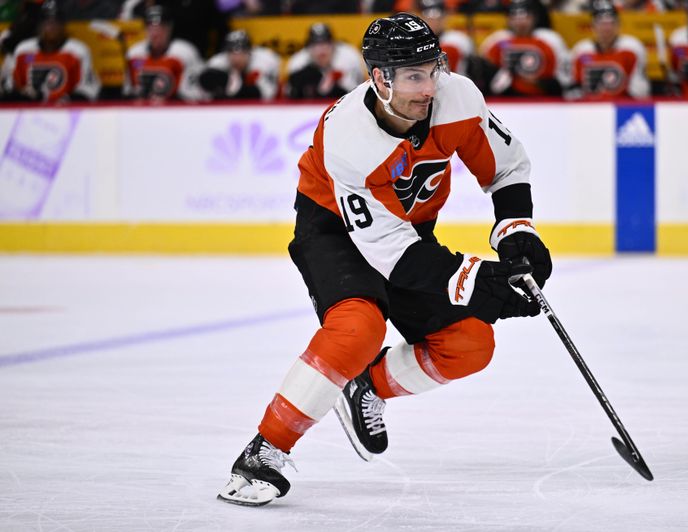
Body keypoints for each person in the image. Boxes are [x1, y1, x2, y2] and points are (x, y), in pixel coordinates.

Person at [217, 12, 552, 507]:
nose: (429, 87)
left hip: (407, 235)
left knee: (471, 344)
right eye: (414, 76)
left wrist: (517, 233)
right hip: (334, 232)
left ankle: (366, 387)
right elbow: (391, 254)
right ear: (380, 79)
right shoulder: (348, 135)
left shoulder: (458, 98)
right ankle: (264, 451)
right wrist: (481, 282)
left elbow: (507, 168)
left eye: (433, 69)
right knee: (358, 328)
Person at [1, 0, 99, 103]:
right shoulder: (23, 51)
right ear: (39, 26)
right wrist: (24, 95)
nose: (51, 27)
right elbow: (10, 86)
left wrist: (67, 100)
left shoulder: (77, 51)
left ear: (63, 26)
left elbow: (89, 89)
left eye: (55, 22)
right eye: (46, 22)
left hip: (67, 114)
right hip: (28, 115)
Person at [479, 0, 570, 96]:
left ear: (535, 18)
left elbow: (563, 80)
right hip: (507, 100)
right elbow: (486, 78)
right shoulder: (496, 40)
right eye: (515, 17)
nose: (521, 22)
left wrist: (540, 83)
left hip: (542, 100)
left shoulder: (550, 40)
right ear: (508, 19)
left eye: (526, 17)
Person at [568, 0, 650, 99]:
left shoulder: (632, 49)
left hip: (621, 109)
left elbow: (640, 91)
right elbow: (572, 90)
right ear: (593, 26)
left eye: (611, 23)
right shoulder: (580, 51)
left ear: (618, 25)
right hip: (588, 111)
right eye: (601, 23)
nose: (607, 28)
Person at [124, 5, 203, 102]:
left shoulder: (185, 53)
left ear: (169, 28)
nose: (155, 34)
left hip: (175, 112)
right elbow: (128, 93)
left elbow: (194, 95)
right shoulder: (134, 54)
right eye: (151, 28)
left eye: (160, 28)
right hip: (141, 112)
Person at [285, 22, 365, 99]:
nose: (321, 50)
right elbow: (290, 96)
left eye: (326, 44)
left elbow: (354, 94)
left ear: (333, 45)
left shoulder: (348, 58)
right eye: (315, 45)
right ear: (308, 48)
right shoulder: (298, 63)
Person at [198, 30, 281, 101]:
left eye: (242, 52)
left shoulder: (264, 61)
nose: (237, 59)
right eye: (231, 52)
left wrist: (233, 87)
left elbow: (267, 95)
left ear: (250, 52)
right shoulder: (217, 63)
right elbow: (203, 95)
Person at [418, 0, 475, 76]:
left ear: (445, 17)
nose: (433, 22)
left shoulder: (459, 40)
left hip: (457, 83)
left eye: (437, 18)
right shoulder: (416, 42)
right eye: (428, 18)